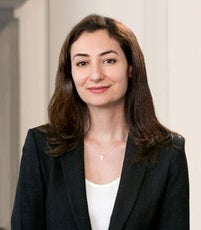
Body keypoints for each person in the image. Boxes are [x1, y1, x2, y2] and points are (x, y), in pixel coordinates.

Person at [11, 14, 189, 230]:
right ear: (71, 73)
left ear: (131, 68)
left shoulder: (168, 152)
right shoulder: (41, 147)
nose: (95, 75)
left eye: (108, 60)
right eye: (82, 63)